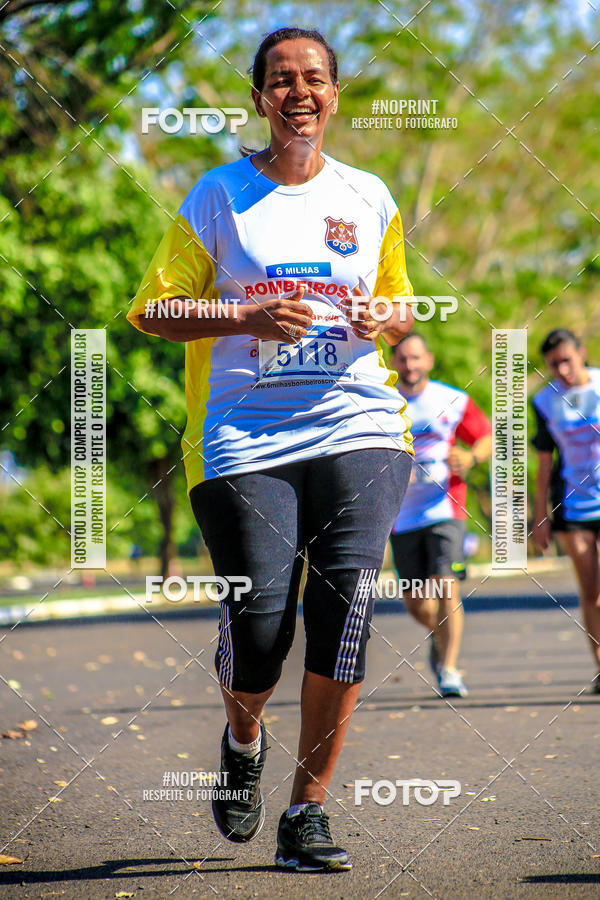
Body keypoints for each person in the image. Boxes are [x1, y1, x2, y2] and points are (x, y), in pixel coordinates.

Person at [127, 27, 415, 871]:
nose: (299, 91)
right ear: (259, 97)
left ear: (334, 95)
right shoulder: (216, 195)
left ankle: (307, 814)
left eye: (315, 78)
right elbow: (153, 310)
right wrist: (245, 317)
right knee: (259, 627)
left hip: (360, 421)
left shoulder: (369, 197)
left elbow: (400, 303)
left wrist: (385, 317)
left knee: (347, 604)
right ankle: (242, 739)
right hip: (242, 433)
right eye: (281, 79)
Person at [389, 333, 492, 697]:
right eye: (403, 359)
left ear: (428, 360)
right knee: (416, 603)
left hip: (446, 506)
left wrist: (471, 457)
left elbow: (487, 436)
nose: (410, 365)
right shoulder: (385, 402)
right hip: (401, 515)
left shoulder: (451, 398)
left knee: (447, 583)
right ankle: (440, 633)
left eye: (416, 358)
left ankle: (449, 669)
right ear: (394, 363)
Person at [532, 328, 600, 693]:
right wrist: (540, 515)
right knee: (592, 593)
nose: (561, 369)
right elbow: (544, 463)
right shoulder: (545, 402)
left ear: (582, 353)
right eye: (553, 364)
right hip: (574, 506)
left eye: (566, 360)